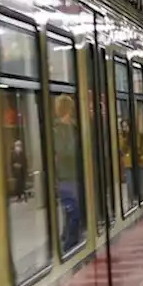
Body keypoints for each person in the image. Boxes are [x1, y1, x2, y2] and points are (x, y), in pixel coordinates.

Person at [54, 95, 82, 253]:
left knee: (71, 211)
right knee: (73, 212)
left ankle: (69, 238)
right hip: (65, 176)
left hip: (74, 175)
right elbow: (65, 151)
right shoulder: (59, 129)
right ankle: (68, 245)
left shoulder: (73, 126)